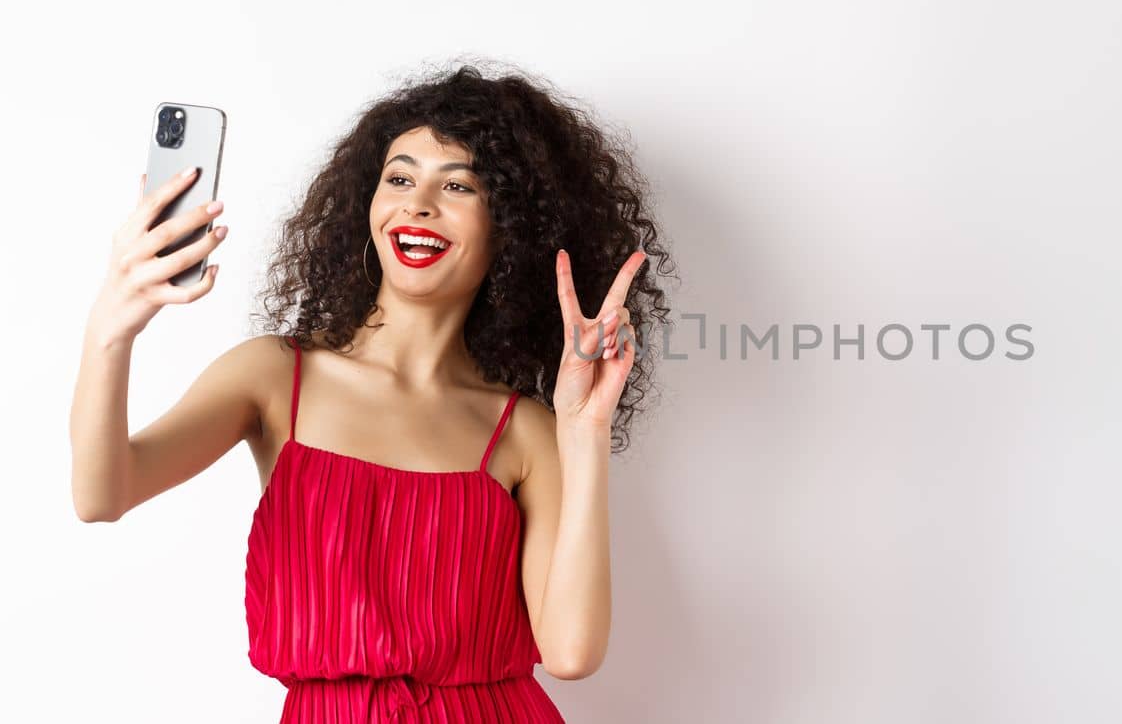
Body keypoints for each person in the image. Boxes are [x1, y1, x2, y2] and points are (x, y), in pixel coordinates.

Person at [69, 62, 676, 722]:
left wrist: (583, 433)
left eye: (458, 186)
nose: (419, 203)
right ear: (368, 203)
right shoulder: (273, 377)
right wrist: (111, 328)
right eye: (400, 177)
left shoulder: (526, 431)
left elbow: (570, 653)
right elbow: (103, 494)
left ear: (510, 228)